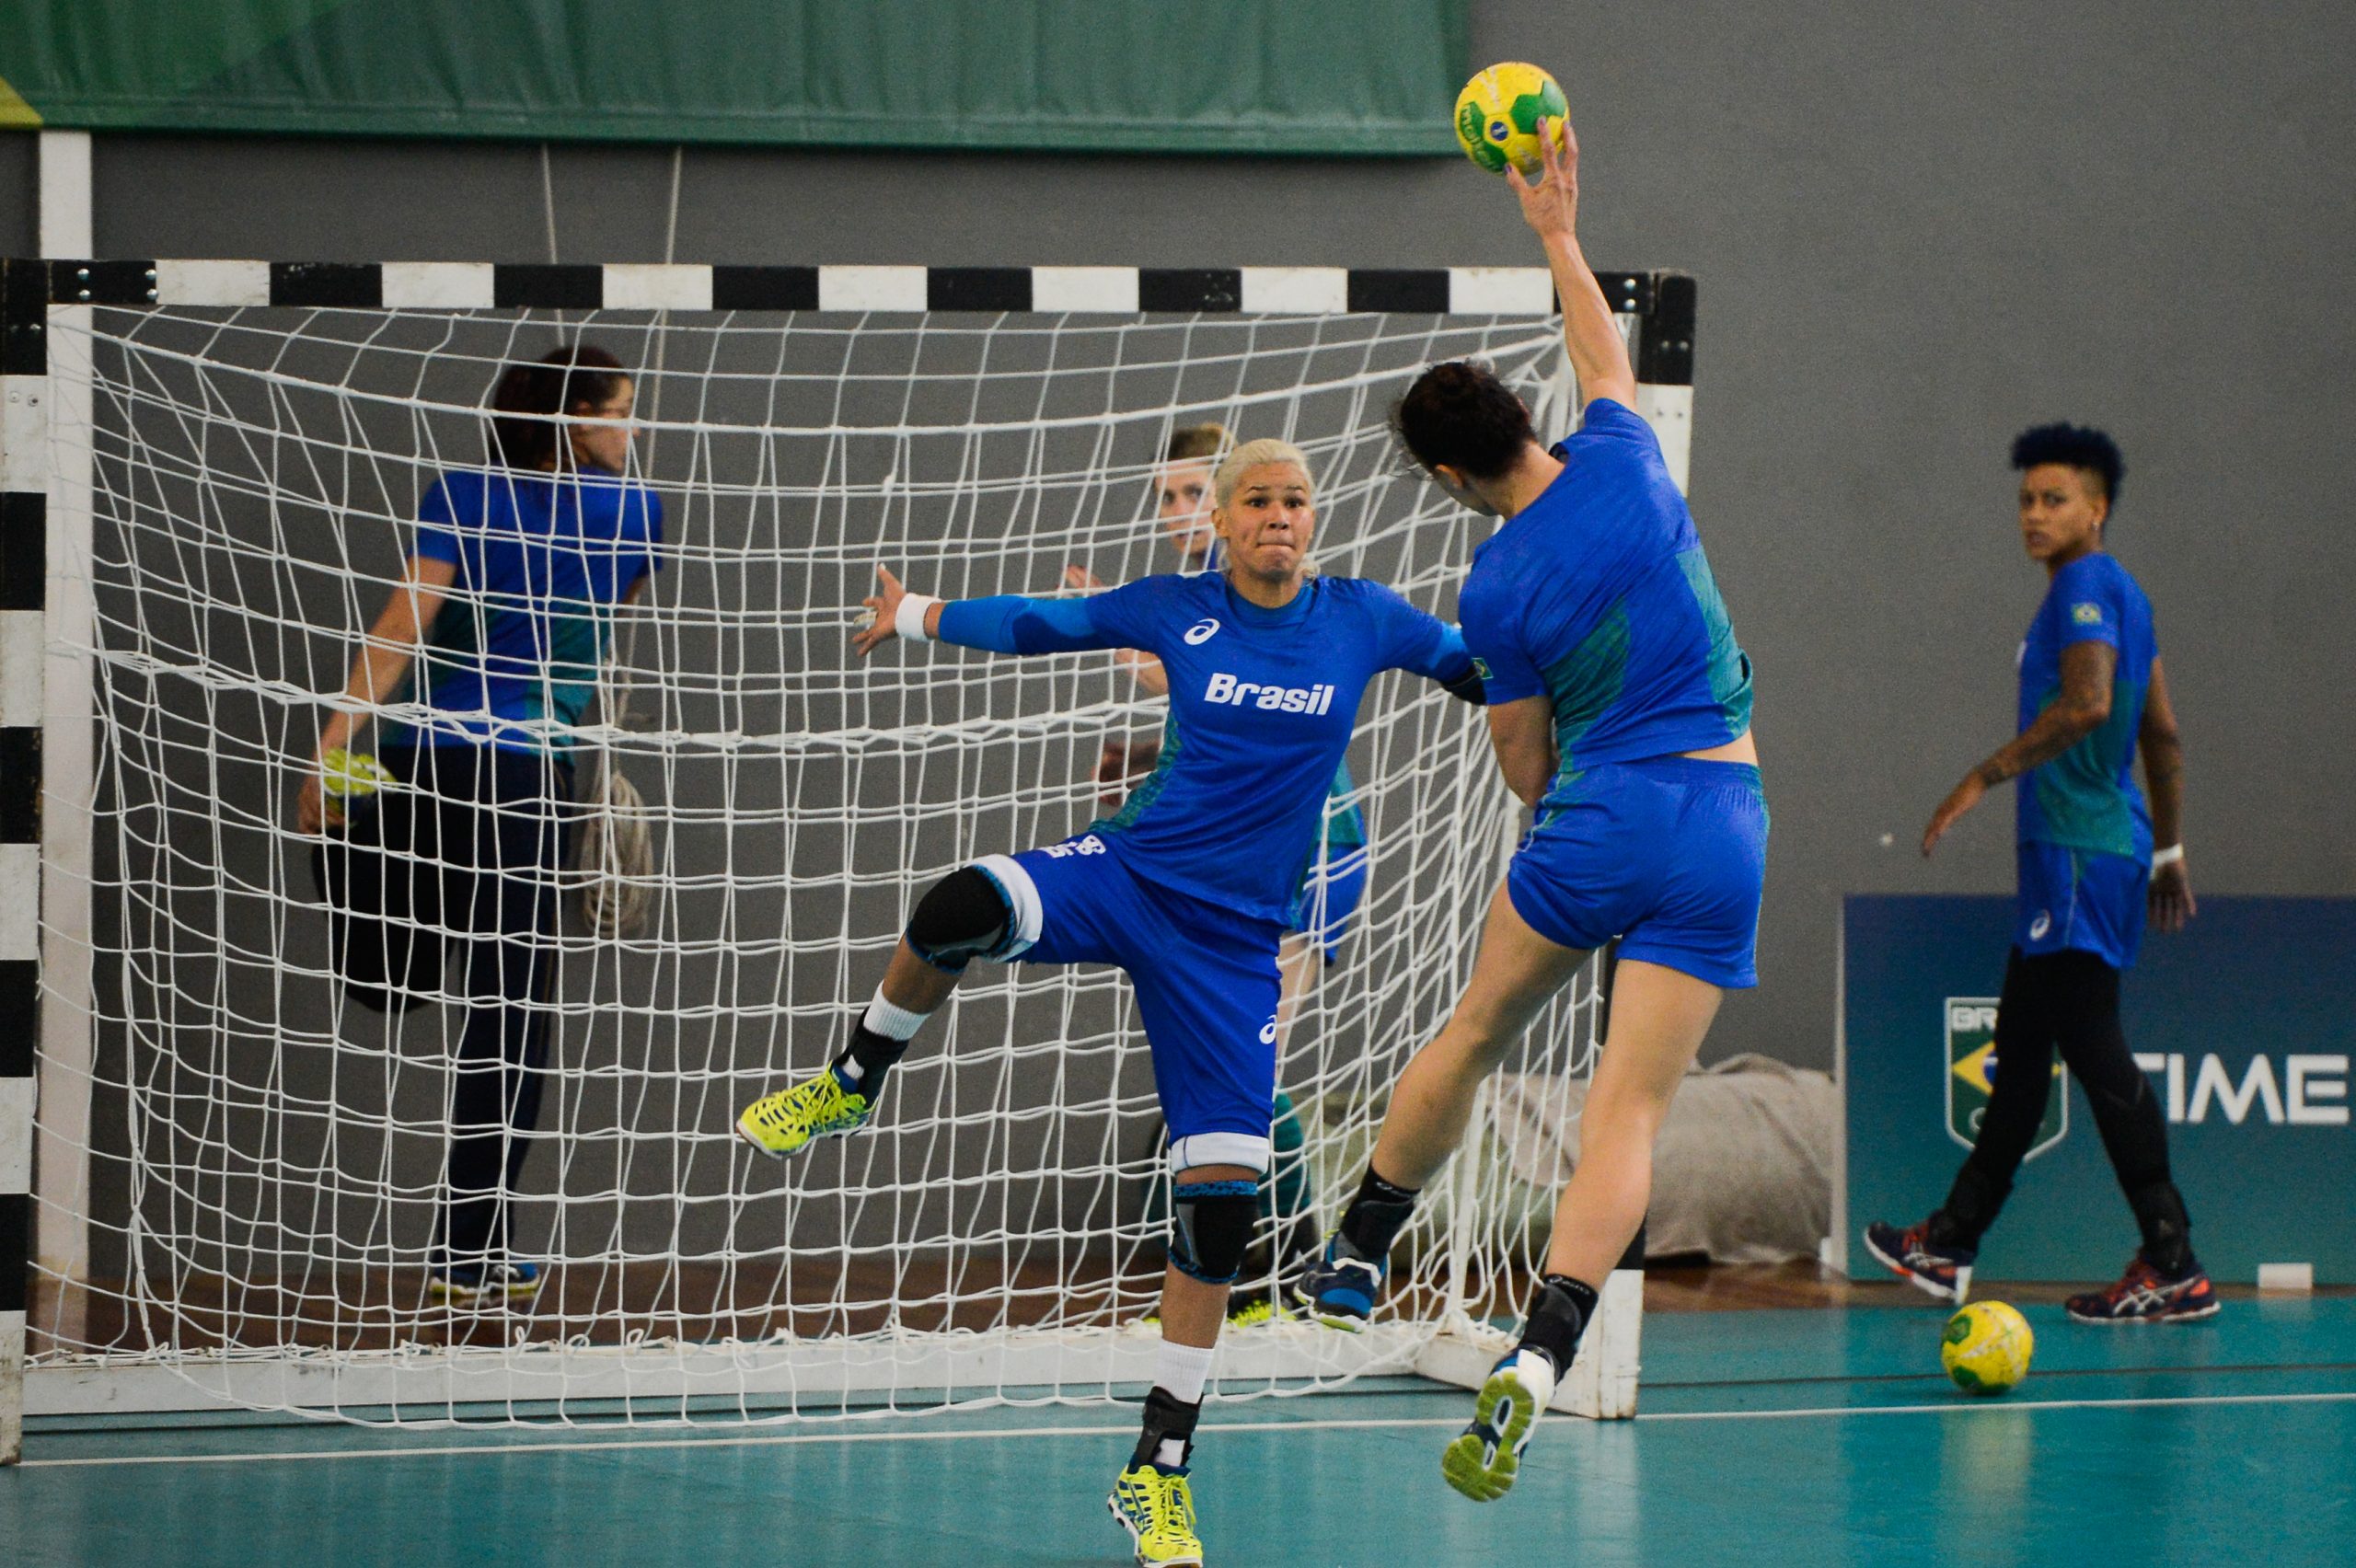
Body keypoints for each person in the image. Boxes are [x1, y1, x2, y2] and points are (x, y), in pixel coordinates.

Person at [734, 437, 1481, 1566]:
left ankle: (1157, 1471)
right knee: (955, 908)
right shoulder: (1176, 608)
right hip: (1127, 879)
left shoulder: (1363, 618)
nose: (1279, 517)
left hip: (1232, 945)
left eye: (1295, 501)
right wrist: (922, 612)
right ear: (1222, 523)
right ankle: (848, 1083)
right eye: (1257, 503)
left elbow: (1484, 667)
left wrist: (1589, 676)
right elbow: (1045, 625)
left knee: (1219, 1204)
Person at [1292, 113, 1768, 1503]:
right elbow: (1600, 346)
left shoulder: (1495, 591)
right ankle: (1541, 1357)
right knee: (1627, 1116)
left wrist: (1570, 805)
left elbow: (1518, 766)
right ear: (1526, 412)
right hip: (1724, 826)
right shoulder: (1627, 456)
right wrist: (1558, 228)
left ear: (1449, 479)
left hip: (1598, 820)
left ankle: (1355, 1252)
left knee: (1480, 1028)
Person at [299, 344, 661, 1304]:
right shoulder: (640, 511)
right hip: (520, 779)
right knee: (511, 1015)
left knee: (398, 980)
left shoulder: (459, 491)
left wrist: (334, 743)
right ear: (574, 420)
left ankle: (345, 845)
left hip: (415, 763)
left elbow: (404, 627)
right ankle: (469, 1249)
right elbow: (594, 639)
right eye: (621, 411)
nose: (633, 430)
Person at [1865, 423, 2212, 1324]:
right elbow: (2161, 734)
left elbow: (2092, 704)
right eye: (2024, 499)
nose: (2032, 514)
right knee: (2020, 1057)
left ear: (2096, 510)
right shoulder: (2122, 593)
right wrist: (2168, 849)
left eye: (2052, 499)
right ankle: (1949, 1243)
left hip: (2073, 852)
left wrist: (1983, 774)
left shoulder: (2088, 585)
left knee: (2091, 1046)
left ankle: (2172, 1259)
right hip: (2106, 849)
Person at [1072, 423, 1371, 1317]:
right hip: (1250, 858)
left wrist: (1138, 659)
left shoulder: (1255, 594)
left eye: (1192, 493)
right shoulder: (1204, 601)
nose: (1175, 513)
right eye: (1164, 497)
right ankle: (1257, 1279)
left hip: (1308, 852)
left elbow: (1219, 684)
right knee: (1232, 1069)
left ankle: (1308, 1266)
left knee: (1249, 1071)